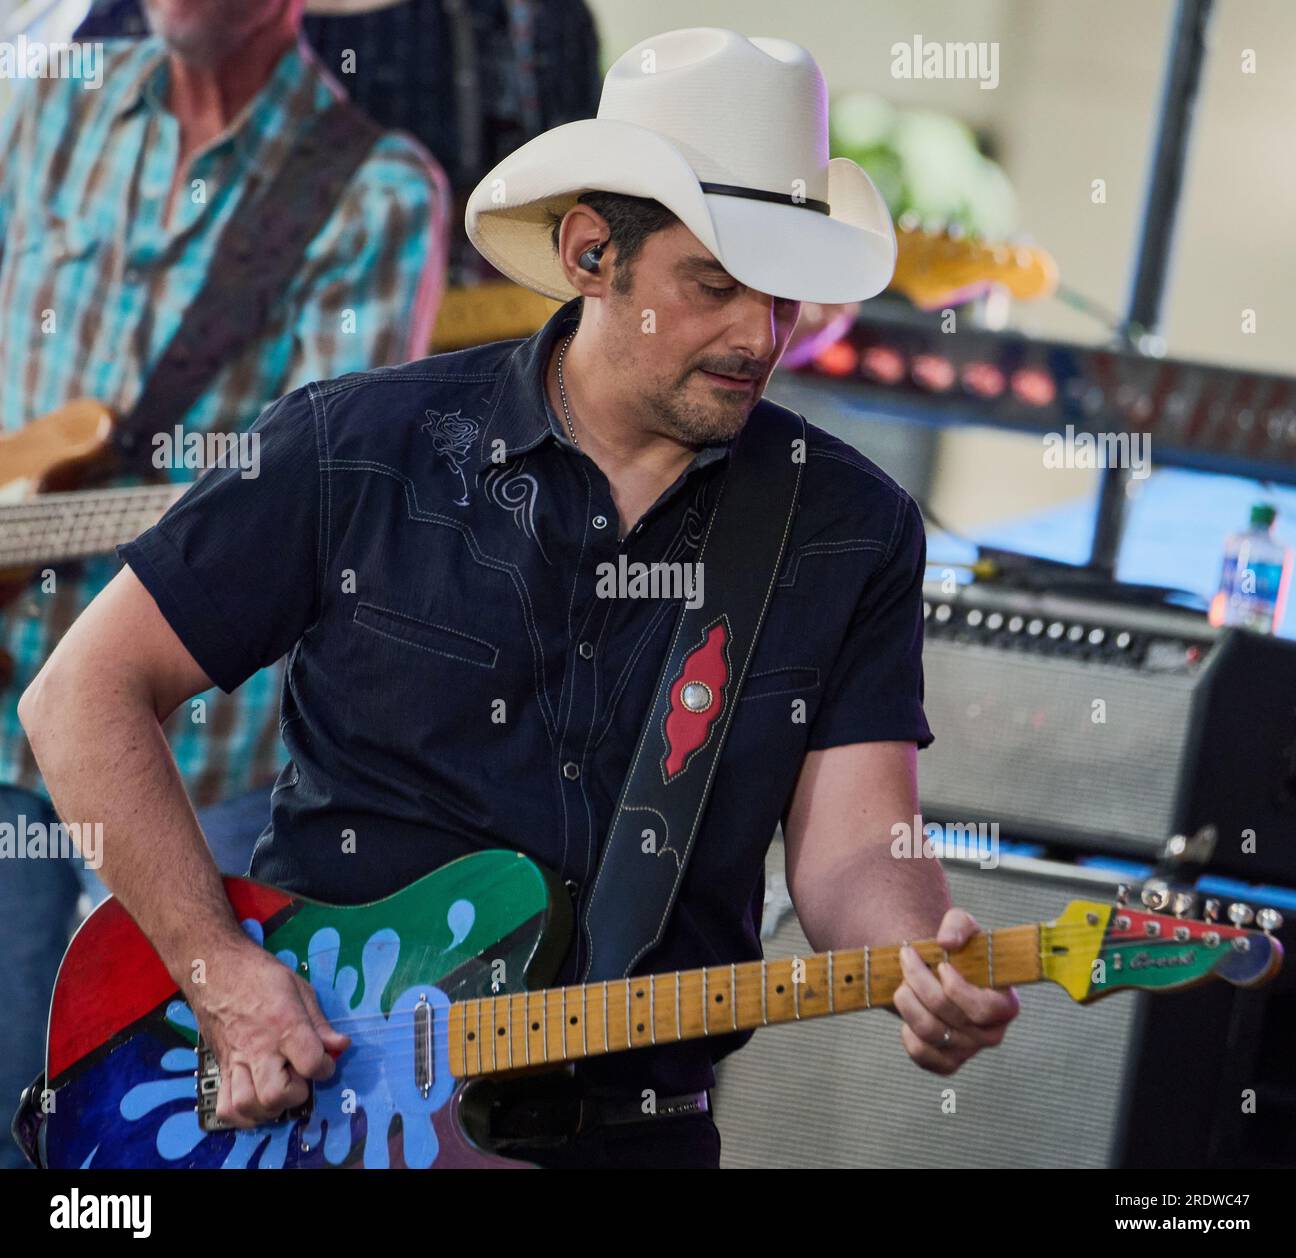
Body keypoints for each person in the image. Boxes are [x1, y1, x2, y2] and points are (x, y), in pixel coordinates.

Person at [18, 26, 1018, 1170]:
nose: (759, 334)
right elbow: (81, 694)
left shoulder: (849, 526)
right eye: (714, 285)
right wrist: (220, 972)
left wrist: (915, 955)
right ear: (593, 252)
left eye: (783, 296)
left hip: (631, 1134)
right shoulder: (357, 445)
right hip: (310, 1117)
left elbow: (850, 854)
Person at [0, 0, 448, 1167]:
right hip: (3, 718)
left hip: (190, 764)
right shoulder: (49, 99)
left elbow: (317, 501)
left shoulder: (376, 191)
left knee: (137, 1142)